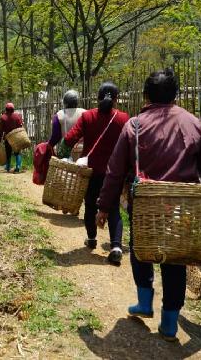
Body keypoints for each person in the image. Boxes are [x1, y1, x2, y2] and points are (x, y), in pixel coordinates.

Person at [96, 69, 201, 341]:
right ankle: (170, 323)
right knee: (176, 258)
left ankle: (144, 303)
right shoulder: (194, 123)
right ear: (175, 94)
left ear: (145, 95)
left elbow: (115, 171)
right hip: (183, 208)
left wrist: (104, 206)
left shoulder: (135, 126)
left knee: (142, 249)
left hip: (145, 205)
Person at [63, 83, 129, 265]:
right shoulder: (123, 118)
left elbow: (69, 140)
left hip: (92, 171)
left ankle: (92, 239)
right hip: (114, 173)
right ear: (116, 99)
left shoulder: (87, 116)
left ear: (98, 98)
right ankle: (116, 247)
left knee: (90, 205)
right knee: (113, 207)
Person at [48, 90, 86, 158]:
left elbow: (55, 137)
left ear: (65, 102)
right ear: (77, 102)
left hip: (66, 152)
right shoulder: (85, 113)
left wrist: (48, 145)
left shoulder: (59, 115)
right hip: (83, 151)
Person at [0, 102, 24, 173]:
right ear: (13, 109)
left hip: (8, 138)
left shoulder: (3, 117)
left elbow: (1, 130)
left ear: (6, 109)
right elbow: (20, 127)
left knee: (8, 152)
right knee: (17, 152)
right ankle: (18, 167)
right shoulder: (17, 116)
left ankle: (8, 167)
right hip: (16, 137)